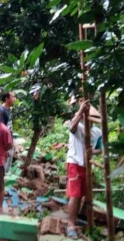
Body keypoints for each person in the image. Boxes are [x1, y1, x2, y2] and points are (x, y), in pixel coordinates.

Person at [66, 100, 102, 239]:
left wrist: (94, 151)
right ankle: (70, 224)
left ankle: (74, 218)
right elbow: (71, 127)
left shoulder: (97, 132)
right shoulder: (77, 126)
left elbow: (100, 149)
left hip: (87, 165)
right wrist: (80, 110)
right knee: (75, 195)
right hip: (75, 163)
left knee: (81, 194)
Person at [0, 91, 16, 172]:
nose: (14, 99)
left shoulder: (9, 110)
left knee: (6, 168)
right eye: (13, 97)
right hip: (4, 144)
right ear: (6, 99)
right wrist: (5, 148)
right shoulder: (1, 111)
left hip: (9, 142)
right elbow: (1, 130)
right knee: (2, 166)